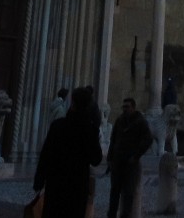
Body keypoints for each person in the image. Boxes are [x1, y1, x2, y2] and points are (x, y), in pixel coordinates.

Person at [35, 85, 104, 218]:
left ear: (73, 103)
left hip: (55, 184)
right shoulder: (89, 131)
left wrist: (39, 180)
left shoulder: (58, 126)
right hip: (77, 187)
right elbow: (96, 159)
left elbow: (45, 155)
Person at [105, 97, 153, 218]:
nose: (125, 109)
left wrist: (136, 155)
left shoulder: (140, 122)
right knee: (114, 192)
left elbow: (148, 139)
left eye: (127, 107)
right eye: (124, 107)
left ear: (133, 107)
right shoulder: (120, 120)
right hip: (118, 161)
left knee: (128, 193)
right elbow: (113, 140)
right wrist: (110, 158)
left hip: (130, 163)